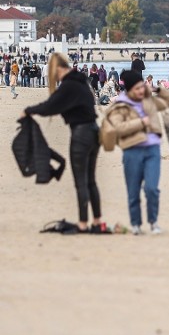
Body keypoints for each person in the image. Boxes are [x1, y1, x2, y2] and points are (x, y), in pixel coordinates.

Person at [22, 53, 104, 234]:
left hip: (81, 134)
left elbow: (50, 106)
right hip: (94, 131)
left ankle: (83, 223)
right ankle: (97, 221)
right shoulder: (83, 82)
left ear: (58, 69)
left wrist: (28, 111)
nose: (55, 78)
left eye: (54, 74)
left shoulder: (69, 86)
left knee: (80, 181)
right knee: (91, 180)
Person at [105, 71, 169, 235]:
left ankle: (153, 222)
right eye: (137, 88)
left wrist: (157, 89)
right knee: (133, 190)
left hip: (152, 149)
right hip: (132, 150)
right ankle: (136, 224)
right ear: (129, 89)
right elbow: (118, 128)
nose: (141, 90)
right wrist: (140, 122)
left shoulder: (148, 100)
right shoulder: (120, 105)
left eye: (142, 86)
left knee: (152, 189)